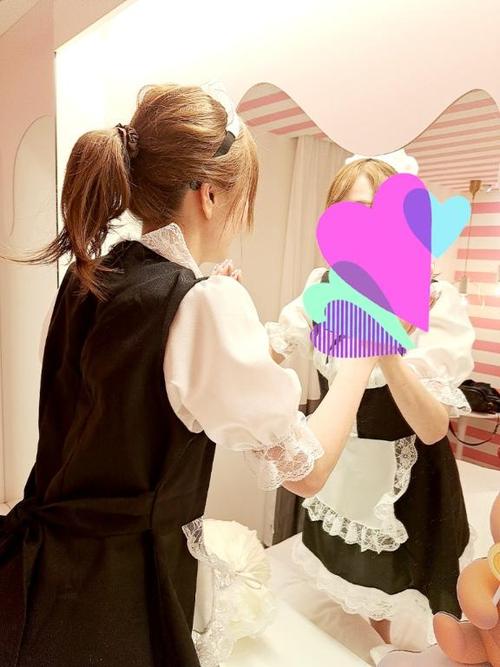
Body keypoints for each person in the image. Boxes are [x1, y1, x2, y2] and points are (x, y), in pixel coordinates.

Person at [0, 84, 381, 667]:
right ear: (210, 194)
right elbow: (307, 471)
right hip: (118, 599)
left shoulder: (92, 276)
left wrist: (219, 315)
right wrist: (363, 354)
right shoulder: (199, 303)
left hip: (43, 568)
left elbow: (143, 394)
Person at [266, 158, 475, 649]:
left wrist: (387, 348)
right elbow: (272, 350)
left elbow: (432, 428)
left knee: (399, 603)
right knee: (345, 595)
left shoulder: (433, 298)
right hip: (338, 468)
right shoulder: (321, 287)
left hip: (404, 486)